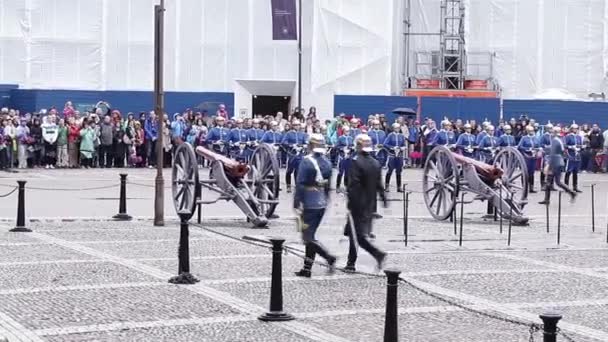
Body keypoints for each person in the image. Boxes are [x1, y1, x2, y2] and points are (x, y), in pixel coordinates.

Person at [293, 133, 337, 278]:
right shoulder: (327, 162)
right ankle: (307, 268)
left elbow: (300, 184)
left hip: (309, 202)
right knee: (310, 235)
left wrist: (297, 202)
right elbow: (329, 186)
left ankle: (329, 257)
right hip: (321, 203)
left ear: (310, 146)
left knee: (307, 237)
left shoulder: (306, 162)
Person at [344, 134, 388, 272]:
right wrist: (383, 199)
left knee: (357, 236)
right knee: (354, 234)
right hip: (370, 204)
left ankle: (376, 255)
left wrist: (351, 203)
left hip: (358, 205)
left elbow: (353, 185)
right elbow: (379, 185)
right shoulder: (375, 163)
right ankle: (351, 263)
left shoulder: (355, 161)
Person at [539, 126, 577, 204]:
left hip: (554, 162)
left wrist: (548, 164)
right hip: (559, 161)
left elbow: (552, 153)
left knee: (556, 182)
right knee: (551, 181)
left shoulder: (555, 141)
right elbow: (561, 151)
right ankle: (547, 199)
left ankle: (572, 193)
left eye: (552, 132)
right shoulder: (559, 140)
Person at [282, 121, 308, 193]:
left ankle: (297, 185)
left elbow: (306, 141)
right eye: (295, 125)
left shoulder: (303, 134)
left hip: (300, 153)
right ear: (293, 126)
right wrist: (291, 145)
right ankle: (288, 186)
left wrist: (304, 145)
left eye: (298, 125)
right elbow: (284, 142)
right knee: (289, 170)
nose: (297, 126)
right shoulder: (289, 133)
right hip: (292, 153)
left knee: (298, 170)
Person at [517, 125, 541, 193]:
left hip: (533, 157)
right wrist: (528, 149)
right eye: (530, 131)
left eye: (532, 131)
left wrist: (538, 149)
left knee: (532, 173)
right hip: (526, 157)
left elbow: (538, 146)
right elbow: (520, 146)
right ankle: (524, 187)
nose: (532, 132)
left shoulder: (535, 138)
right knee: (525, 172)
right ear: (527, 131)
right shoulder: (524, 138)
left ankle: (531, 188)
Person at [384, 123, 406, 192]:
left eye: (398, 128)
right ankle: (387, 186)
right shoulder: (390, 135)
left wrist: (402, 148)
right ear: (393, 128)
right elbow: (385, 144)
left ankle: (399, 187)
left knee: (399, 171)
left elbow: (404, 145)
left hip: (399, 155)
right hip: (392, 155)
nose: (397, 129)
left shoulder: (401, 136)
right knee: (390, 170)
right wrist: (392, 148)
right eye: (396, 128)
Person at [564, 123, 584, 192]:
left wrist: (580, 148)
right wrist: (571, 147)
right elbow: (565, 145)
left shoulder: (579, 137)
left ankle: (575, 186)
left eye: (576, 128)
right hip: (571, 155)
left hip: (577, 155)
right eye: (574, 128)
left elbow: (580, 145)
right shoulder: (568, 136)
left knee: (575, 172)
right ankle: (566, 186)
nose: (575, 130)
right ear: (571, 129)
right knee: (568, 171)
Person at [335, 126, 354, 192]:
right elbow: (336, 146)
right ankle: (338, 186)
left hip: (349, 156)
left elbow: (353, 145)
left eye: (348, 131)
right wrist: (342, 149)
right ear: (343, 131)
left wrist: (351, 149)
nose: (347, 132)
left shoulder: (351, 138)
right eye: (346, 131)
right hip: (342, 156)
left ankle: (346, 186)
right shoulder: (340, 138)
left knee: (348, 172)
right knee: (340, 172)